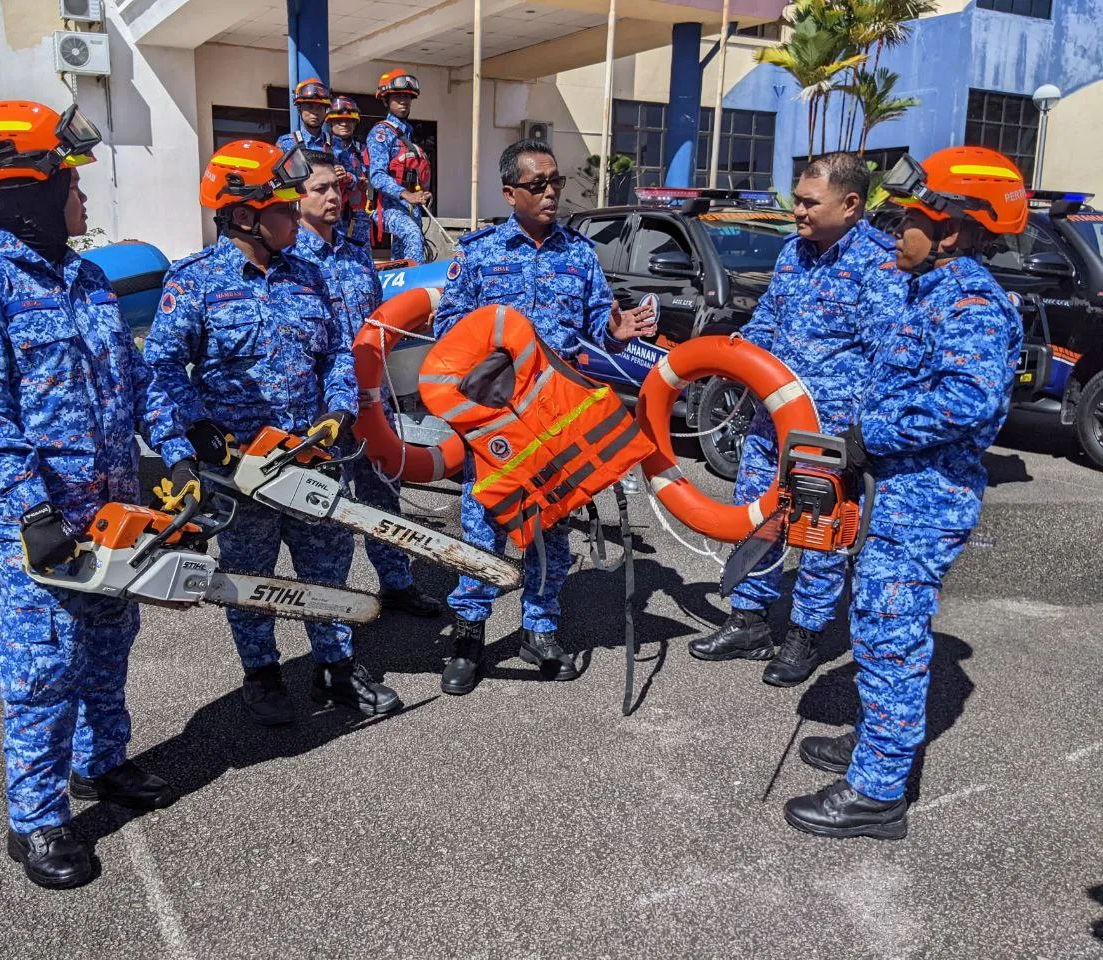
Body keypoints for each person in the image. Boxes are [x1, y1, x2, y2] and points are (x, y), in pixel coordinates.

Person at [0, 100, 196, 889]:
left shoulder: (88, 278)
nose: (83, 196)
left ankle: (101, 766)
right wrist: (35, 513)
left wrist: (176, 452)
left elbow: (133, 380)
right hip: (38, 525)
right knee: (44, 668)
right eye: (70, 180)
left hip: (114, 512)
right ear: (27, 188)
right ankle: (37, 819)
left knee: (111, 645)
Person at [784, 146, 1027, 840]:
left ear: (951, 228)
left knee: (891, 637)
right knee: (876, 626)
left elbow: (966, 400)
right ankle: (876, 746)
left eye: (910, 220)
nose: (896, 232)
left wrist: (872, 436)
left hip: (927, 500)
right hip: (898, 492)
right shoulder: (928, 287)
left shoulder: (973, 302)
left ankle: (877, 794)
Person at [144, 139, 402, 727]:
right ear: (243, 215)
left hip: (312, 459)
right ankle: (261, 672)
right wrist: (194, 436)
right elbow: (158, 369)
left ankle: (335, 668)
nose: (295, 217)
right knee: (250, 578)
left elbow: (338, 350)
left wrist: (338, 409)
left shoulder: (309, 276)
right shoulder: (194, 282)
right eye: (283, 208)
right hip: (239, 470)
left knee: (329, 565)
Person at [433, 138, 656, 695]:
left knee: (550, 532)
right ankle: (468, 636)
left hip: (558, 418)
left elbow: (595, 328)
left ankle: (541, 629)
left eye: (555, 182)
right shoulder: (479, 252)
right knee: (484, 528)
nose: (551, 192)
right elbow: (447, 335)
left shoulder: (578, 255)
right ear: (510, 192)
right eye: (538, 185)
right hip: (498, 422)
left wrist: (618, 331)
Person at [689, 152, 905, 687]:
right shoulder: (793, 255)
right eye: (797, 199)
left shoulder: (879, 266)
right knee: (756, 517)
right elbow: (769, 322)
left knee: (819, 536)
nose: (798, 211)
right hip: (768, 426)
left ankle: (803, 636)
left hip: (828, 437)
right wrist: (738, 350)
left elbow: (890, 360)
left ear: (851, 205)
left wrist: (865, 438)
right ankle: (749, 621)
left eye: (810, 202)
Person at [289, 149, 443, 618]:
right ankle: (333, 606)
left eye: (336, 188)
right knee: (329, 512)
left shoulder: (358, 257)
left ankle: (397, 583)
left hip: (372, 402)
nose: (334, 196)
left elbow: (383, 328)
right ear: (296, 199)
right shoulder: (289, 261)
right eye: (320, 189)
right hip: (320, 413)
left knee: (384, 497)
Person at [363, 68, 430, 262]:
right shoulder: (382, 133)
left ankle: (400, 288)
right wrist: (406, 194)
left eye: (407, 97)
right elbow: (376, 175)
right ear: (386, 100)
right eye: (398, 96)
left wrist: (422, 193)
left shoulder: (408, 135)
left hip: (410, 208)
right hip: (388, 208)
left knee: (402, 254)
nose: (404, 101)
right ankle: (416, 286)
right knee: (412, 235)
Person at [325, 95, 372, 245]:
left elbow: (373, 179)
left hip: (358, 217)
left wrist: (353, 179)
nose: (344, 124)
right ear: (330, 122)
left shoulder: (363, 151)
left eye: (349, 120)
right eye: (339, 120)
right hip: (330, 215)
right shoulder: (322, 148)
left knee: (362, 261)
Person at [275, 78, 332, 153]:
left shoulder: (336, 144)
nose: (315, 112)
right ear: (299, 110)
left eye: (320, 107)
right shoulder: (285, 143)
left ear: (325, 111)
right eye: (309, 107)